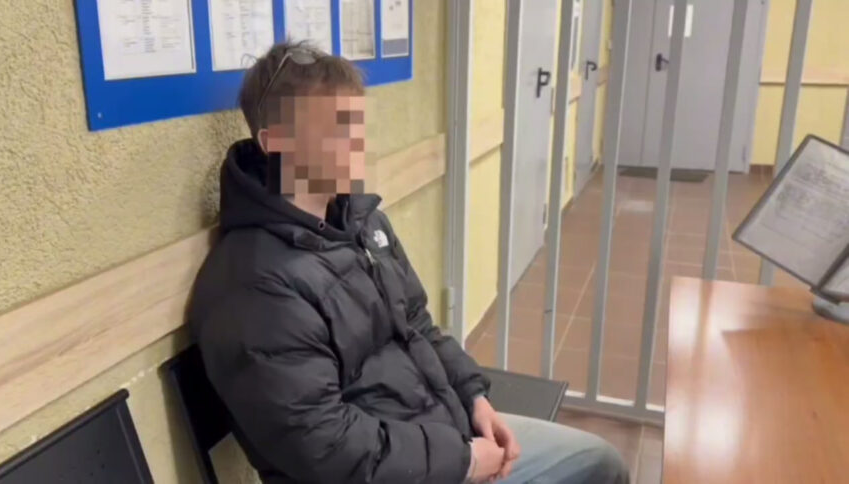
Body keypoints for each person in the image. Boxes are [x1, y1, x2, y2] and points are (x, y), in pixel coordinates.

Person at [187, 41, 629, 484]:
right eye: (336, 130)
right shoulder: (255, 286)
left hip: (440, 432)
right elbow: (326, 444)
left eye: (356, 125)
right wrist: (463, 462)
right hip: (394, 469)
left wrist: (474, 399)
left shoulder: (359, 222)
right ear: (275, 144)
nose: (356, 145)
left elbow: (416, 322)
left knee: (600, 462)